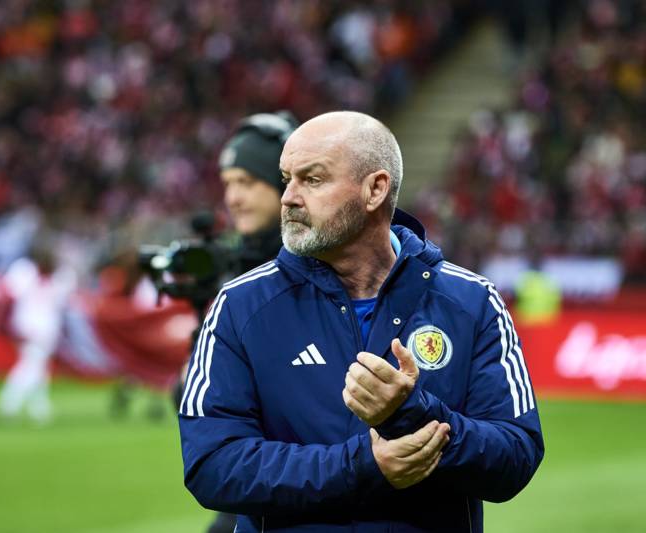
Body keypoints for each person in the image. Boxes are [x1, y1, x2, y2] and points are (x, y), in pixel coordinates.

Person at [179, 111, 544, 532]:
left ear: (375, 189)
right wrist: (360, 467)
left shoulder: (472, 301)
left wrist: (412, 412)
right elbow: (211, 465)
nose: (288, 197)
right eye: (286, 179)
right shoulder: (240, 306)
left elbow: (517, 455)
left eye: (312, 179)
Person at [178, 111, 298, 533]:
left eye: (247, 182)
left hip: (309, 482)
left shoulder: (317, 266)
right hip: (252, 484)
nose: (232, 197)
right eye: (227, 183)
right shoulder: (234, 268)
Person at [0, 243, 76, 424]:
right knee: (30, 366)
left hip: (47, 328)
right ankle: (9, 404)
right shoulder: (23, 272)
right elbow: (10, 296)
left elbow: (63, 301)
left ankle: (39, 408)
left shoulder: (60, 277)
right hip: (28, 326)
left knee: (38, 367)